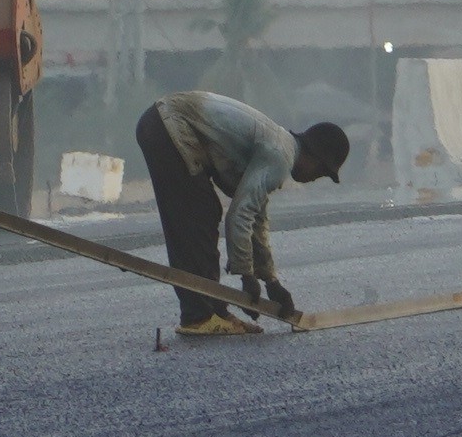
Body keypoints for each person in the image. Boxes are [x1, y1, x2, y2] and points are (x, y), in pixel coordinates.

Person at [136, 88, 351, 337]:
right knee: (197, 217)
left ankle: (214, 311)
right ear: (314, 157)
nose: (315, 179)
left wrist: (270, 281)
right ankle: (199, 316)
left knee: (202, 213)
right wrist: (245, 274)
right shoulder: (280, 157)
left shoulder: (279, 146)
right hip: (167, 125)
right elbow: (239, 215)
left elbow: (256, 218)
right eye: (321, 172)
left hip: (161, 122)